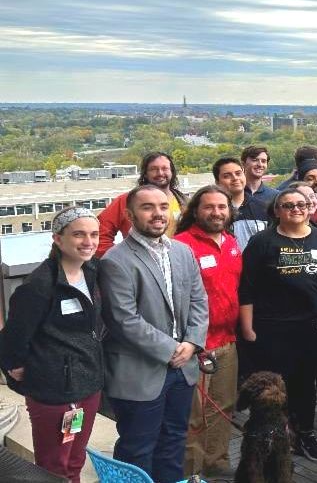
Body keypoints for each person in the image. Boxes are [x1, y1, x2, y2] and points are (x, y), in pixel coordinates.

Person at [99, 186, 210, 481]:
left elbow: (199, 300)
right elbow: (124, 320)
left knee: (174, 443)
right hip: (140, 372)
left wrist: (192, 343)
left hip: (183, 367)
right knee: (138, 448)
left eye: (163, 206)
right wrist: (173, 349)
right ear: (130, 214)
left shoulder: (183, 251)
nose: (158, 213)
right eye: (148, 207)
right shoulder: (115, 260)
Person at [0, 207, 105, 483]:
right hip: (55, 393)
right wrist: (31, 373)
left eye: (94, 234)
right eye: (79, 234)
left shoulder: (92, 273)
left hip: (88, 385)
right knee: (52, 467)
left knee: (75, 461)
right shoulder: (40, 285)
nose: (88, 242)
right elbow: (13, 338)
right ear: (58, 239)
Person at [238, 188, 317, 462]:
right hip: (273, 329)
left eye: (301, 204)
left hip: (314, 328)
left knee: (305, 385)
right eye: (287, 205)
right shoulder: (262, 242)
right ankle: (269, 436)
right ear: (277, 211)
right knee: (272, 388)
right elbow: (246, 287)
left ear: (309, 208)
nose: (295, 209)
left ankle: (304, 434)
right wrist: (247, 329)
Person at [174, 187, 243, 480]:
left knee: (223, 407)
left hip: (228, 340)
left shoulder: (231, 241)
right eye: (209, 207)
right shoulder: (181, 245)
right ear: (196, 210)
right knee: (194, 416)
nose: (216, 212)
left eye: (221, 207)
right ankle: (193, 471)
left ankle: (217, 461)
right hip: (196, 345)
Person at [97, 152, 188, 257]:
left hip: (177, 263)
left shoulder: (185, 202)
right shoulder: (126, 201)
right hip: (140, 265)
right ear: (145, 173)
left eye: (165, 168)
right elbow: (99, 233)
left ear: (172, 172)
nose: (160, 173)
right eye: (154, 169)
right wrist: (119, 258)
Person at [212, 157, 265, 249]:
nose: (235, 178)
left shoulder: (263, 208)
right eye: (227, 176)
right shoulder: (214, 212)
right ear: (217, 182)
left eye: (238, 173)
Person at [241, 145, 279, 223]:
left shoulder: (276, 196)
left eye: (263, 161)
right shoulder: (233, 194)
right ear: (243, 163)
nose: (260, 164)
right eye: (255, 160)